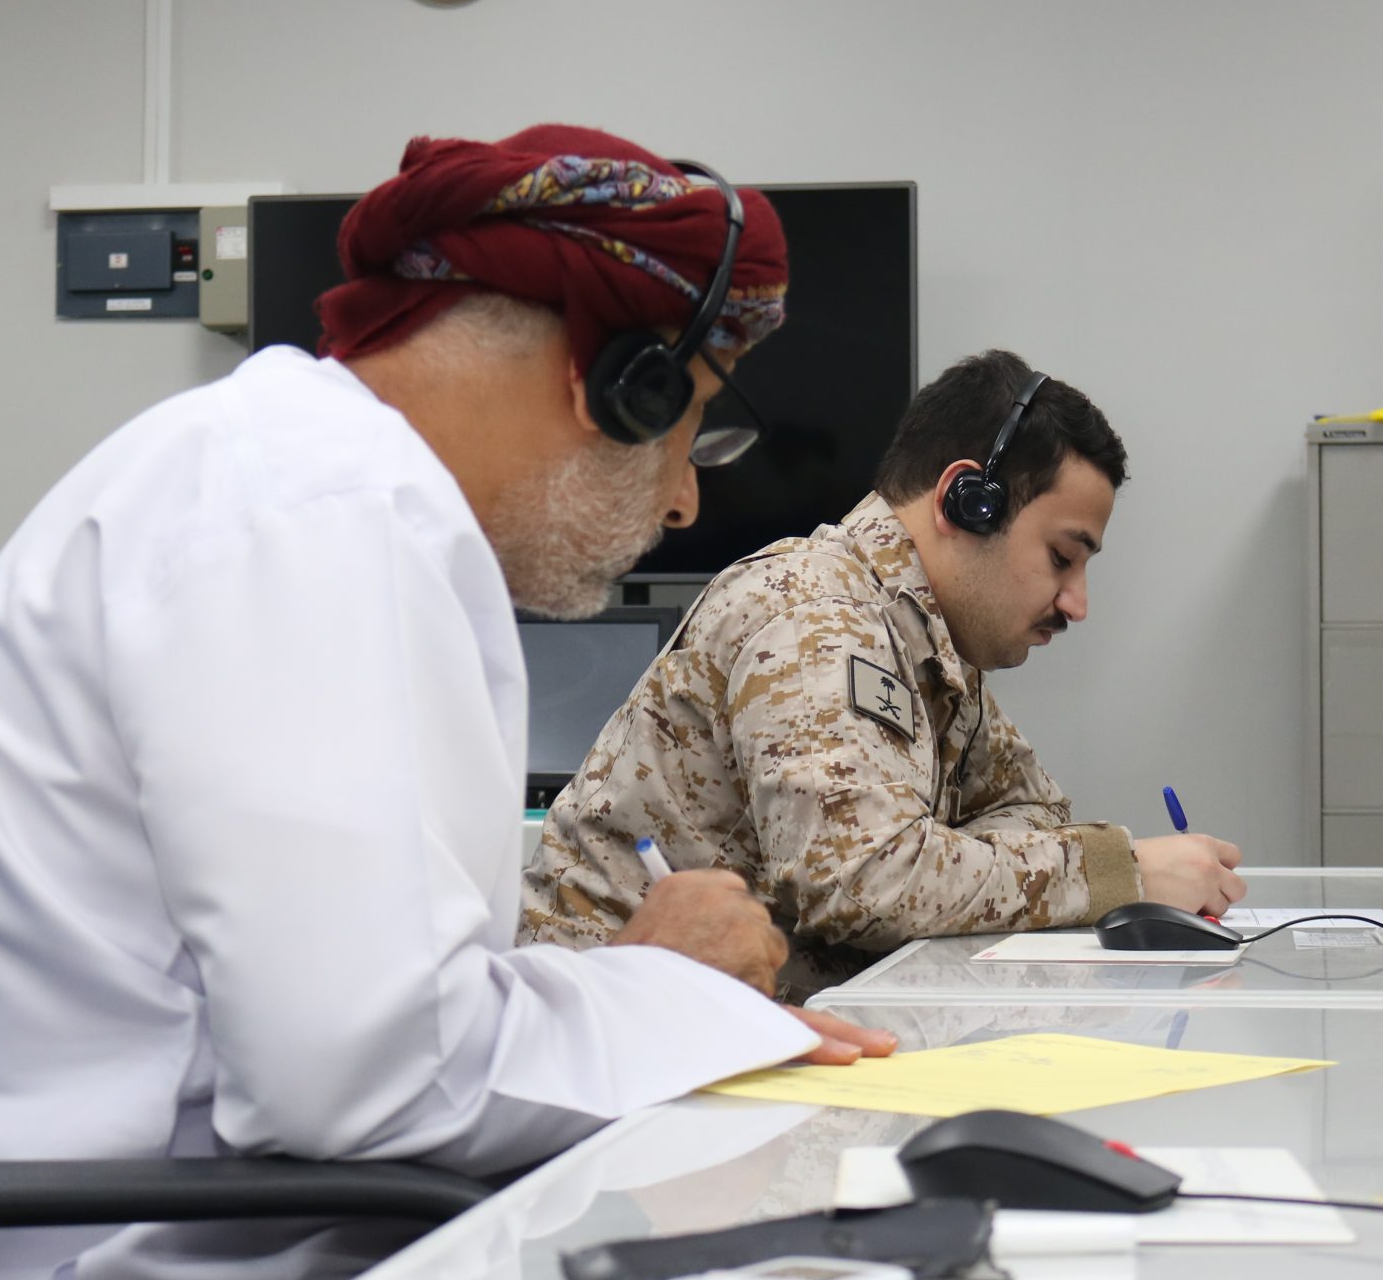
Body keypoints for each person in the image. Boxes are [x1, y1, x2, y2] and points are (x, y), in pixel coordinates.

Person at [0, 125, 895, 1280]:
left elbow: (385, 1030)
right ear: (618, 382)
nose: (682, 498)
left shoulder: (310, 485)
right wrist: (673, 996)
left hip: (203, 1238)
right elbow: (368, 1081)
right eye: (692, 430)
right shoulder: (309, 519)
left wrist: (650, 988)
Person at [521, 350, 1246, 1002]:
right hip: (612, 1038)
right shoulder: (814, 616)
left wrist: (947, 862)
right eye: (1062, 557)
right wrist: (1122, 872)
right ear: (969, 501)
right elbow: (865, 882)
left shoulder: (923, 638)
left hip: (724, 1023)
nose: (1077, 603)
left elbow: (1031, 810)